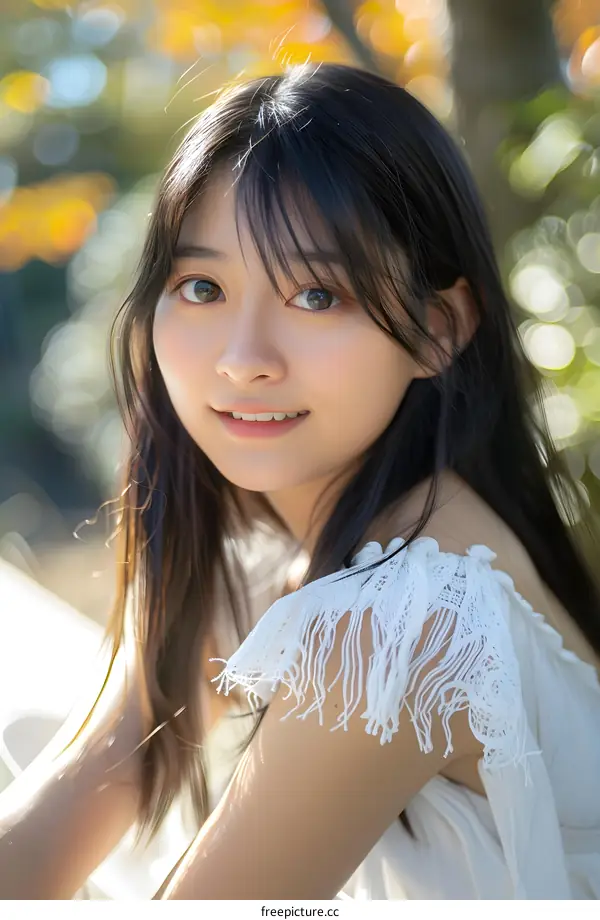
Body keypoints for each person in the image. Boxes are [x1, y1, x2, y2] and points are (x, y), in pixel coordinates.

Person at [1, 61, 600, 901]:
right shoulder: (278, 564)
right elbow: (69, 801)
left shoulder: (400, 622)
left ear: (439, 329)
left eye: (317, 295)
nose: (244, 360)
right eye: (202, 287)